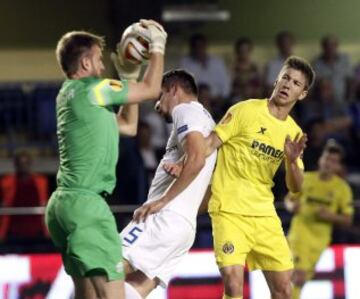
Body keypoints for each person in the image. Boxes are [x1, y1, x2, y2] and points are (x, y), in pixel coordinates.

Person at [45, 19, 167, 299]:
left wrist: (130, 78)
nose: (102, 67)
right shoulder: (94, 88)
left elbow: (128, 126)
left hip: (63, 207)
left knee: (86, 296)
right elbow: (152, 91)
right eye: (99, 60)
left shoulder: (70, 94)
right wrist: (158, 46)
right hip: (87, 207)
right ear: (85, 64)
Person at [203, 56, 315, 299]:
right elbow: (210, 144)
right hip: (229, 211)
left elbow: (295, 187)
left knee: (285, 289)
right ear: (276, 80)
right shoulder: (244, 110)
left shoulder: (293, 133)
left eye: (296, 83)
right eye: (285, 77)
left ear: (302, 94)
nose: (288, 85)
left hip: (264, 215)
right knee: (233, 284)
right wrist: (181, 163)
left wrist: (293, 161)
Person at [120, 69, 217, 299]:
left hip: (164, 217)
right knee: (134, 289)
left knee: (103, 270)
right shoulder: (208, 123)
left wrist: (163, 201)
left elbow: (196, 159)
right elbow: (209, 188)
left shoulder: (186, 110)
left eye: (160, 95)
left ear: (174, 90)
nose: (156, 104)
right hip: (184, 228)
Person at [286, 140, 353, 299]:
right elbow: (289, 200)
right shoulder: (306, 178)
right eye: (326, 158)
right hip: (300, 233)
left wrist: (330, 216)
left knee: (298, 280)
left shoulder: (342, 189)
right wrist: (291, 207)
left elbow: (347, 219)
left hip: (320, 240)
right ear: (320, 159)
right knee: (299, 275)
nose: (328, 163)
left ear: (338, 167)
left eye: (333, 161)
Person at [0, 151, 48, 242]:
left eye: (26, 163)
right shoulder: (6, 182)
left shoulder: (41, 181)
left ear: (30, 164)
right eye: (20, 163)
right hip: (13, 231)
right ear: (16, 165)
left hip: (37, 230)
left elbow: (44, 202)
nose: (23, 166)